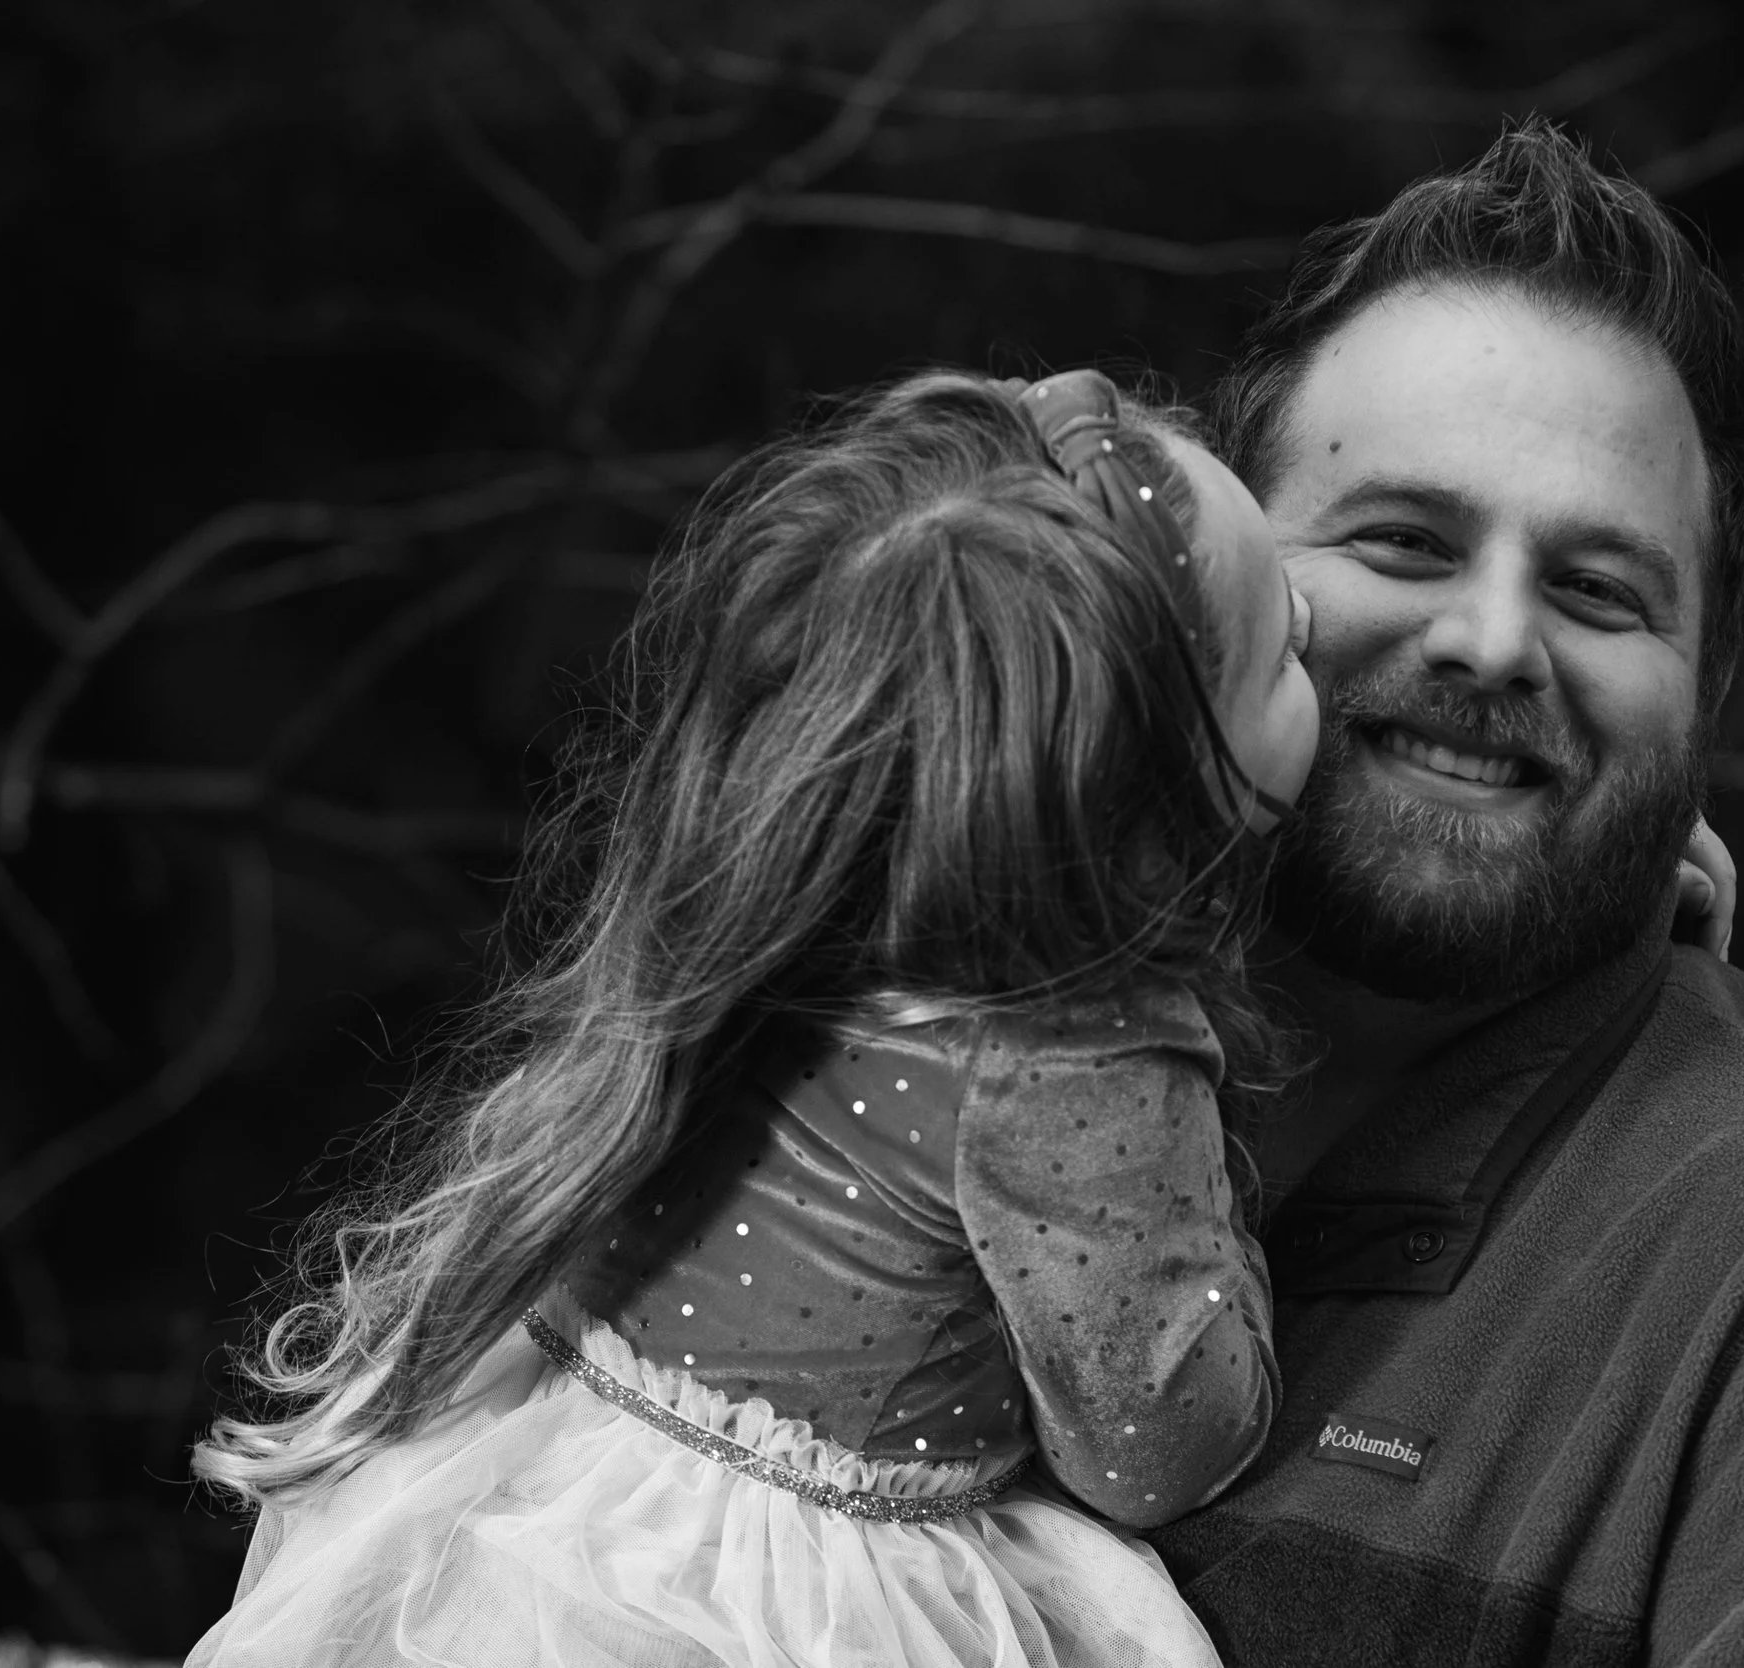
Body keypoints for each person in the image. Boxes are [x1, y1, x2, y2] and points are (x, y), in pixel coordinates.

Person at [1141, 123, 1744, 1666]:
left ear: (1705, 689)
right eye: (1404, 539)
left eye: (1599, 591)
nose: (1491, 642)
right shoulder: (903, 1063)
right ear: (1204, 577)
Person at [184, 369, 1311, 1668]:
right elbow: (1151, 1443)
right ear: (1156, 788)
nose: (1320, 649)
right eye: (1287, 647)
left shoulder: (771, 893)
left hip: (547, 1512)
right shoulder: (1080, 1051)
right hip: (808, 1613)